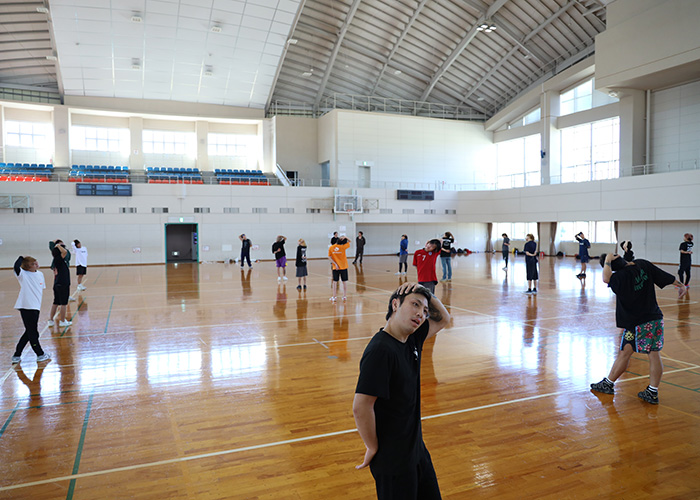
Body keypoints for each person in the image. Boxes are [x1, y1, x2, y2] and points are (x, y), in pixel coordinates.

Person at [353, 282, 451, 500]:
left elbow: (444, 318)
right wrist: (372, 447)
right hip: (394, 461)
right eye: (415, 305)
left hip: (416, 450)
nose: (421, 314)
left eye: (425, 310)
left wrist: (426, 293)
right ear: (395, 305)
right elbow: (361, 406)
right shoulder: (380, 350)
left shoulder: (412, 339)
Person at [590, 252, 687, 404]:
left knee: (632, 354)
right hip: (653, 319)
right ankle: (616, 385)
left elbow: (606, 278)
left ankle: (646, 391)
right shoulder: (642, 264)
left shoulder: (619, 277)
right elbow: (664, 276)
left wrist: (607, 260)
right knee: (641, 353)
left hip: (638, 323)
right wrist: (680, 285)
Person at [11, 255, 50, 364]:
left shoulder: (40, 274)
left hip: (35, 306)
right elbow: (16, 267)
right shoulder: (23, 274)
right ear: (27, 267)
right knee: (32, 332)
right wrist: (21, 258)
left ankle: (17, 355)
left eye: (35, 262)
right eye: (33, 264)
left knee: (29, 331)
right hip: (26, 306)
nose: (36, 264)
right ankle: (40, 354)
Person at [48, 240, 72, 327]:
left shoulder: (56, 259)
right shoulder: (60, 259)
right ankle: (62, 321)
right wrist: (58, 245)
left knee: (55, 302)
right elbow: (64, 252)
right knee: (63, 304)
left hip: (57, 283)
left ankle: (51, 320)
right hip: (63, 283)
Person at [328, 236, 351, 301]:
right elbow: (350, 241)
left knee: (335, 282)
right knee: (344, 282)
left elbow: (329, 257)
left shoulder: (331, 247)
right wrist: (345, 237)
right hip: (343, 267)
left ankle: (334, 296)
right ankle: (344, 296)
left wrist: (335, 264)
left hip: (335, 268)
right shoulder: (343, 247)